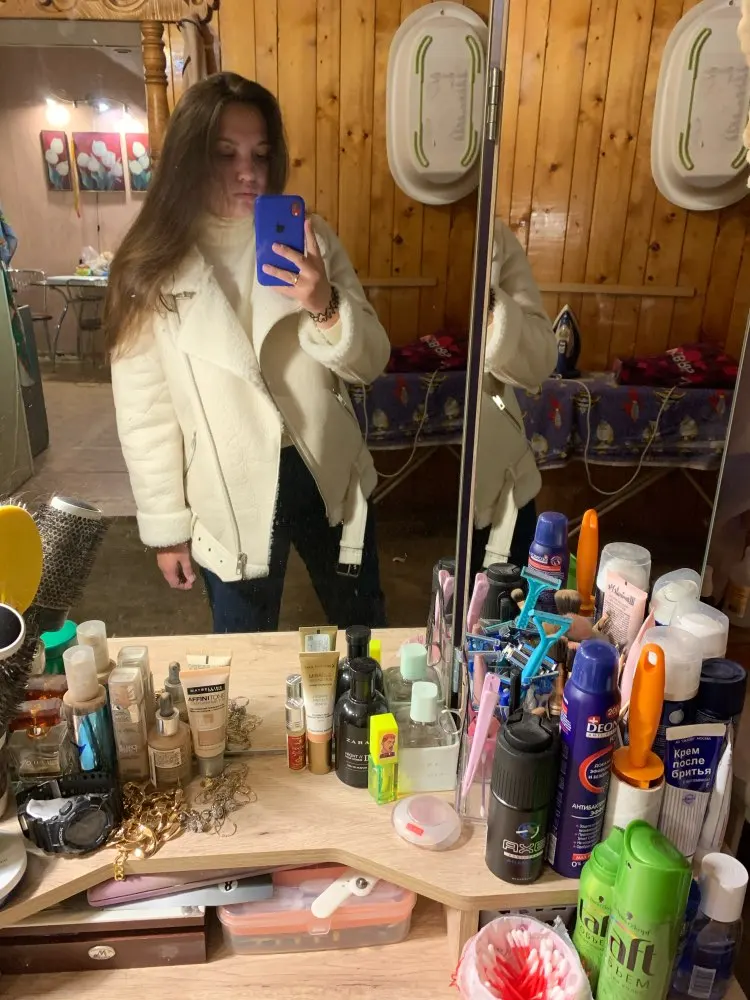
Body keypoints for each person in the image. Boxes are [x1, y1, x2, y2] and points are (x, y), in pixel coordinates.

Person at [105, 73, 390, 633]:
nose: (248, 171)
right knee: (242, 643)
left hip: (324, 467)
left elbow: (370, 362)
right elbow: (145, 410)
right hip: (227, 488)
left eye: (260, 154)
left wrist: (324, 304)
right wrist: (167, 527)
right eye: (225, 154)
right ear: (189, 158)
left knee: (365, 628)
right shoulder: (149, 264)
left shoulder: (310, 241)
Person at [472, 220, 557, 576]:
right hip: (362, 492)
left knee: (512, 606)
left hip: (500, 492)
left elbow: (539, 363)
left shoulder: (492, 236)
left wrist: (490, 301)